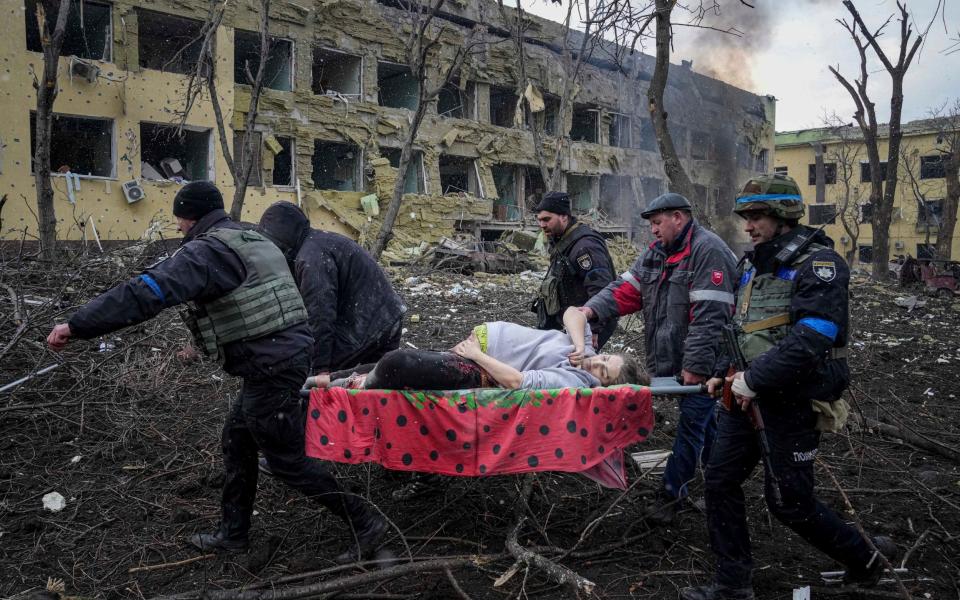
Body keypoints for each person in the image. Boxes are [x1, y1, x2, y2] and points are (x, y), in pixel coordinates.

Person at [46, 182, 386, 562]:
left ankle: (365, 522)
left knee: (286, 460)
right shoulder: (250, 236)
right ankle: (232, 535)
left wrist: (77, 325)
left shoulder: (206, 252)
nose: (177, 227)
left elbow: (146, 293)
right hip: (282, 356)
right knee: (238, 439)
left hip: (272, 363)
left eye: (179, 218)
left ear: (190, 218)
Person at [681, 174, 896, 600]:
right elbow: (741, 329)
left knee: (789, 502)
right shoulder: (753, 265)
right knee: (719, 481)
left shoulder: (819, 265)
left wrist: (753, 380)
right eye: (746, 216)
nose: (749, 225)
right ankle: (732, 585)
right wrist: (721, 373)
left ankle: (866, 559)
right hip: (744, 398)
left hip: (791, 399)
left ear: (783, 216)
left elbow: (814, 336)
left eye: (757, 216)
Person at [579, 192, 737, 524]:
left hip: (706, 363)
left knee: (692, 424)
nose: (652, 230)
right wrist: (590, 310)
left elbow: (711, 316)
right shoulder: (656, 254)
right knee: (705, 423)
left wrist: (695, 366)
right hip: (675, 360)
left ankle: (671, 494)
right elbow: (625, 290)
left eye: (657, 223)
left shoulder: (708, 252)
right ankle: (720, 482)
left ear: (678, 217)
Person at [319, 307, 646, 391]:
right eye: (604, 358)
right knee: (384, 363)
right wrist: (580, 345)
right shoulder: (583, 352)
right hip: (476, 350)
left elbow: (518, 382)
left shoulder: (575, 381)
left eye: (603, 372)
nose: (595, 365)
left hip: (480, 368)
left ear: (603, 386)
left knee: (396, 362)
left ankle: (349, 388)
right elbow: (574, 313)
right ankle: (318, 381)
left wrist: (477, 355)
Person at [258, 201, 406, 377]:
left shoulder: (311, 258)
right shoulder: (317, 243)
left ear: (282, 240)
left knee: (321, 381)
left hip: (369, 324)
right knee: (371, 385)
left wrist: (320, 369)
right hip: (386, 316)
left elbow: (320, 314)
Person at [532, 191, 618, 350]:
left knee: (579, 367)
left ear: (564, 216)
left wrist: (593, 328)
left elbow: (601, 288)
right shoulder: (563, 242)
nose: (542, 225)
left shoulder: (584, 246)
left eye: (546, 219)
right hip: (573, 321)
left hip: (588, 322)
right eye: (539, 220)